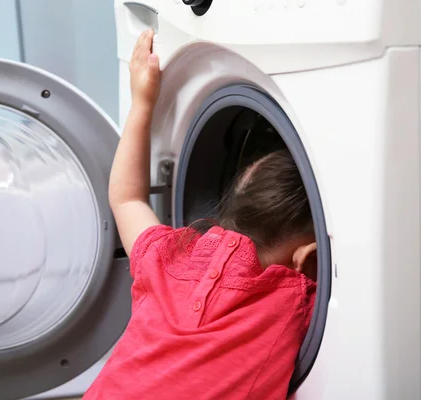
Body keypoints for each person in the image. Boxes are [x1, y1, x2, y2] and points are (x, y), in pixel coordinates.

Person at [83, 29, 317, 400]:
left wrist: (142, 102)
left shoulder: (165, 258)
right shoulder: (292, 297)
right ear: (308, 259)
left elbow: (126, 199)